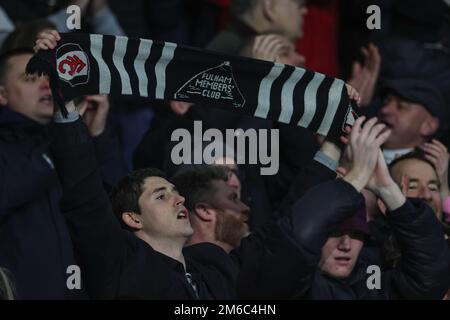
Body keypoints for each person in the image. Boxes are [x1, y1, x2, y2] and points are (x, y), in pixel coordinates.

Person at [0, 47, 124, 299]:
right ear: (2, 94)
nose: (47, 86)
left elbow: (121, 205)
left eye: (49, 77)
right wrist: (65, 139)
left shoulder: (75, 138)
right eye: (30, 78)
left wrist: (96, 135)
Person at [286, 116, 450, 299]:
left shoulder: (371, 285)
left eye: (357, 234)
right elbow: (288, 240)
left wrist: (387, 190)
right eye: (335, 233)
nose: (345, 245)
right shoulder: (284, 282)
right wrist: (332, 149)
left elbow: (429, 279)